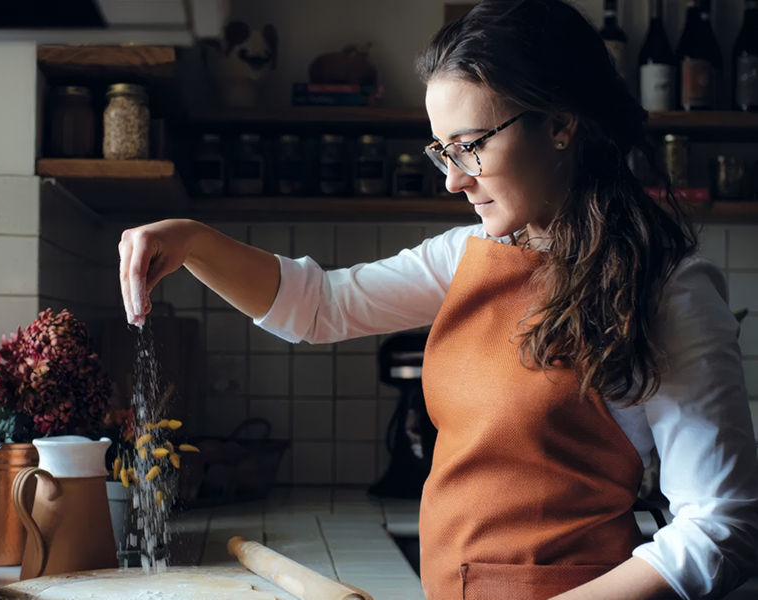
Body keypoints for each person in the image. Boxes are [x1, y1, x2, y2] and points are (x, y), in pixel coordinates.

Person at [118, 0, 758, 597]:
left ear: (561, 123)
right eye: (442, 151)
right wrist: (194, 241)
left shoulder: (667, 285)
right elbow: (319, 305)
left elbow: (721, 523)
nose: (453, 179)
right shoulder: (466, 255)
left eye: (471, 146)